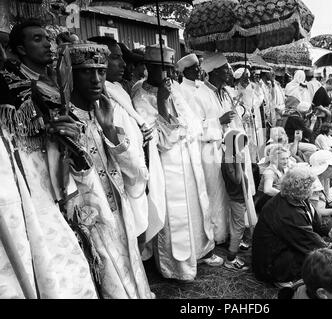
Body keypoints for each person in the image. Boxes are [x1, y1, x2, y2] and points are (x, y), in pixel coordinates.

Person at [0, 20, 98, 298]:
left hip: (57, 168)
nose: (47, 44)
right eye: (37, 39)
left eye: (48, 38)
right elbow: (18, 132)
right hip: (27, 174)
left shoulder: (53, 81)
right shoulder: (10, 84)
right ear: (20, 48)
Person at [65, 41, 154, 298]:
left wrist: (110, 130)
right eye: (86, 71)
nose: (95, 79)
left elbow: (138, 174)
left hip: (120, 213)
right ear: (70, 73)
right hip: (89, 223)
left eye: (101, 72)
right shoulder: (62, 122)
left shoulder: (107, 113)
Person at [134, 44, 220, 280]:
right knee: (175, 212)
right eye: (161, 69)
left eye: (169, 69)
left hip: (189, 157)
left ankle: (201, 251)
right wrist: (162, 102)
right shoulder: (140, 96)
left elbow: (192, 124)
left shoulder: (175, 90)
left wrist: (171, 101)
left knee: (196, 205)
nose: (167, 75)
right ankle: (178, 266)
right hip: (168, 164)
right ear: (148, 68)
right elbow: (160, 138)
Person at [88, 36, 151, 240]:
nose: (123, 64)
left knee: (140, 230)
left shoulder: (117, 89)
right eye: (115, 58)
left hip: (136, 169)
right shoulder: (96, 95)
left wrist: (144, 131)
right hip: (118, 177)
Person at [193, 52, 257, 245]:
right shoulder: (199, 94)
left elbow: (234, 121)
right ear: (213, 72)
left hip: (230, 149)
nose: (230, 72)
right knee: (216, 194)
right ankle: (218, 234)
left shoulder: (226, 93)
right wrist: (217, 121)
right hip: (211, 153)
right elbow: (195, 127)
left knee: (235, 190)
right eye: (225, 69)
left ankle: (234, 232)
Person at [252, 166, 332, 288]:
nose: (313, 188)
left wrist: (329, 231)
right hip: (271, 263)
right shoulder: (286, 212)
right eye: (310, 186)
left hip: (282, 248)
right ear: (302, 188)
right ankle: (280, 277)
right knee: (311, 257)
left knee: (327, 228)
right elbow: (308, 240)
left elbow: (314, 219)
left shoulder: (296, 198)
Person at [221, 130, 251, 270]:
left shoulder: (232, 155)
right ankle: (230, 259)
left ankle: (236, 245)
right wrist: (239, 161)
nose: (243, 147)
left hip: (240, 196)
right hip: (237, 197)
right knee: (238, 228)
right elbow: (238, 179)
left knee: (238, 226)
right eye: (240, 144)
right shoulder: (229, 159)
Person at [254, 144, 290, 213]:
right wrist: (286, 196)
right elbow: (267, 190)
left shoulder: (282, 169)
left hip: (276, 203)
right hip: (265, 206)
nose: (286, 161)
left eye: (287, 158)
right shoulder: (269, 172)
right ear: (275, 159)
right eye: (283, 159)